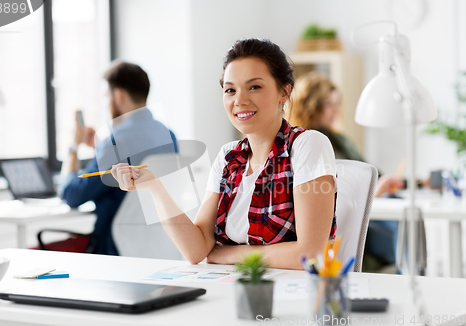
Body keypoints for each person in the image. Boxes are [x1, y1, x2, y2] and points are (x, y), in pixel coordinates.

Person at [111, 38, 337, 270]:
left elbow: (311, 254)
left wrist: (229, 254)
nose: (239, 100)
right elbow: (196, 250)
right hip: (233, 286)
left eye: (254, 87)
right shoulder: (229, 157)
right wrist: (155, 188)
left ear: (284, 92)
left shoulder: (307, 145)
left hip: (288, 293)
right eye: (230, 90)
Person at [286, 71, 402, 270]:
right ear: (311, 106)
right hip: (343, 219)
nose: (335, 111)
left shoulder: (340, 139)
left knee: (406, 224)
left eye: (337, 104)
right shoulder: (309, 145)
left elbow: (373, 174)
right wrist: (375, 192)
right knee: (402, 234)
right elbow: (334, 194)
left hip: (369, 209)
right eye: (329, 104)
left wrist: (413, 183)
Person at [60, 61, 177, 255]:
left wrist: (73, 147)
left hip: (113, 248)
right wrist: (100, 148)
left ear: (118, 96)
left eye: (106, 96)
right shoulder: (168, 135)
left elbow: (72, 195)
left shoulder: (115, 143)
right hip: (158, 246)